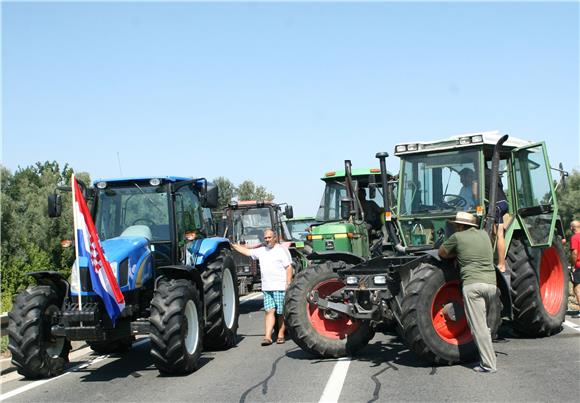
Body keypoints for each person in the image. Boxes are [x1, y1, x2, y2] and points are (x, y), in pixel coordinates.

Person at [438, 212, 499, 373]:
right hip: (492, 285)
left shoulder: (457, 237)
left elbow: (442, 253)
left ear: (459, 225)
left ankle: (489, 365)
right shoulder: (485, 235)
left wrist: (456, 253)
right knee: (485, 326)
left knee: (478, 328)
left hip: (473, 286)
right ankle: (490, 355)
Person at [231, 228, 293, 346]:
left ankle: (280, 335)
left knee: (280, 312)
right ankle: (268, 337)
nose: (267, 240)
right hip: (267, 287)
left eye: (269, 237)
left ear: (275, 238)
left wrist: (288, 283)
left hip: (280, 286)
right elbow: (248, 252)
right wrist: (234, 246)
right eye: (265, 238)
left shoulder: (281, 250)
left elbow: (289, 267)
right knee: (269, 311)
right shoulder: (261, 251)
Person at [569, 220, 580, 314]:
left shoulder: (574, 238)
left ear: (572, 227)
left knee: (577, 288)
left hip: (579, 266)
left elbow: (575, 253)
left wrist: (573, 265)